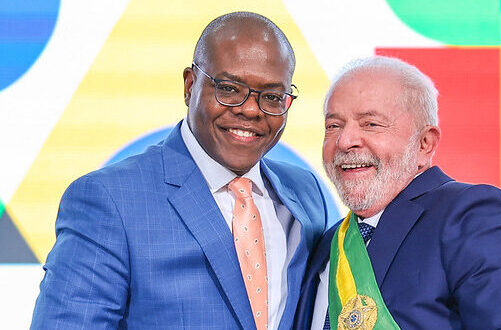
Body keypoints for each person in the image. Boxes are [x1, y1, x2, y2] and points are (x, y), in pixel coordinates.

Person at [31, 12, 328, 330]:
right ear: (190, 85)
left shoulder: (305, 192)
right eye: (229, 89)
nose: (250, 109)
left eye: (271, 97)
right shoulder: (110, 200)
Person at [294, 56, 501, 330]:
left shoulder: (469, 215)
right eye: (333, 126)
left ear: (425, 144)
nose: (345, 141)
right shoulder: (328, 244)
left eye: (371, 124)